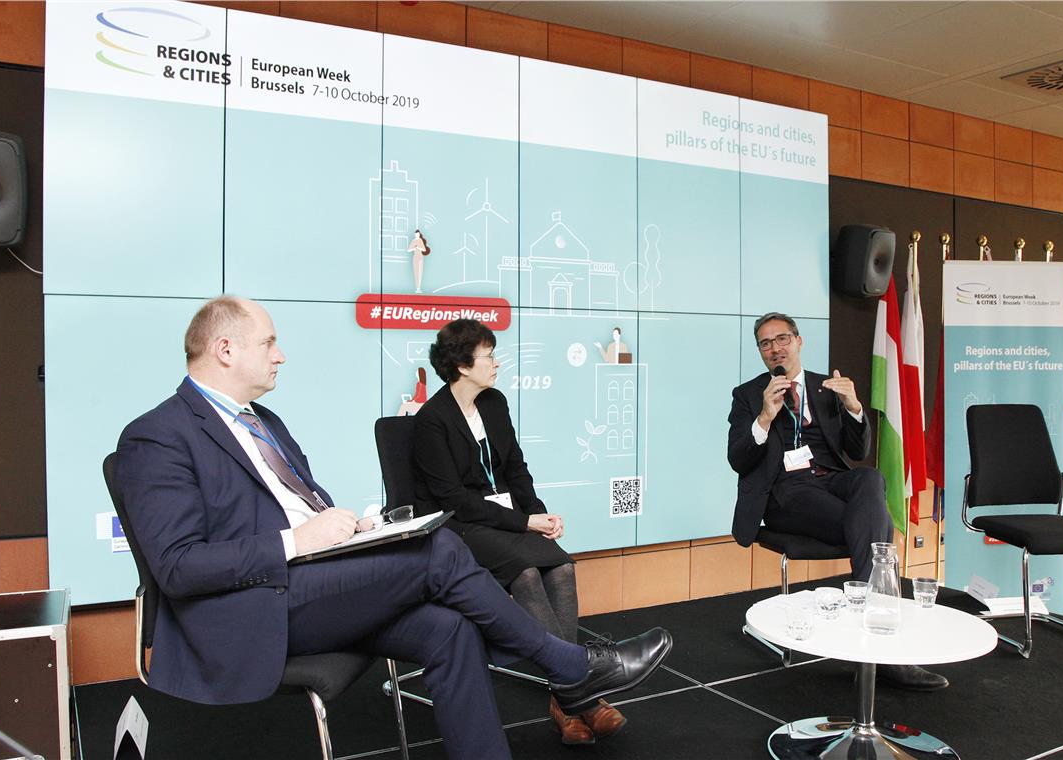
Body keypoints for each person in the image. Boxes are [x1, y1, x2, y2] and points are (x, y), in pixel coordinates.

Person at [115, 296, 672, 759]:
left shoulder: (265, 422)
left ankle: (556, 685)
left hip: (310, 583)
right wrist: (296, 540)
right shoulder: (157, 435)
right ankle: (573, 669)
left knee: (449, 629)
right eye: (268, 343)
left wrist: (354, 529)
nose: (280, 355)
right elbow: (179, 567)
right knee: (440, 551)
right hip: (253, 608)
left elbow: (300, 507)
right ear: (225, 349)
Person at [413, 319, 625, 745]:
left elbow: (515, 468)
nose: (496, 363)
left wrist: (539, 515)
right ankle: (578, 696)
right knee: (526, 574)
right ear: (462, 365)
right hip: (461, 526)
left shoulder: (494, 403)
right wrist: (524, 523)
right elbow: (455, 500)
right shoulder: (432, 420)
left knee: (561, 567)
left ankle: (565, 696)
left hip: (506, 519)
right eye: (488, 356)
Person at [727, 311, 947, 691]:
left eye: (782, 339)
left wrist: (854, 407)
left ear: (799, 341)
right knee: (875, 527)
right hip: (786, 492)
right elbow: (738, 459)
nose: (775, 348)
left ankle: (868, 635)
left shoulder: (825, 387)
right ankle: (882, 644)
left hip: (832, 480)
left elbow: (857, 452)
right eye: (765, 343)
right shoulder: (748, 395)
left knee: (870, 479)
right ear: (761, 352)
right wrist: (764, 418)